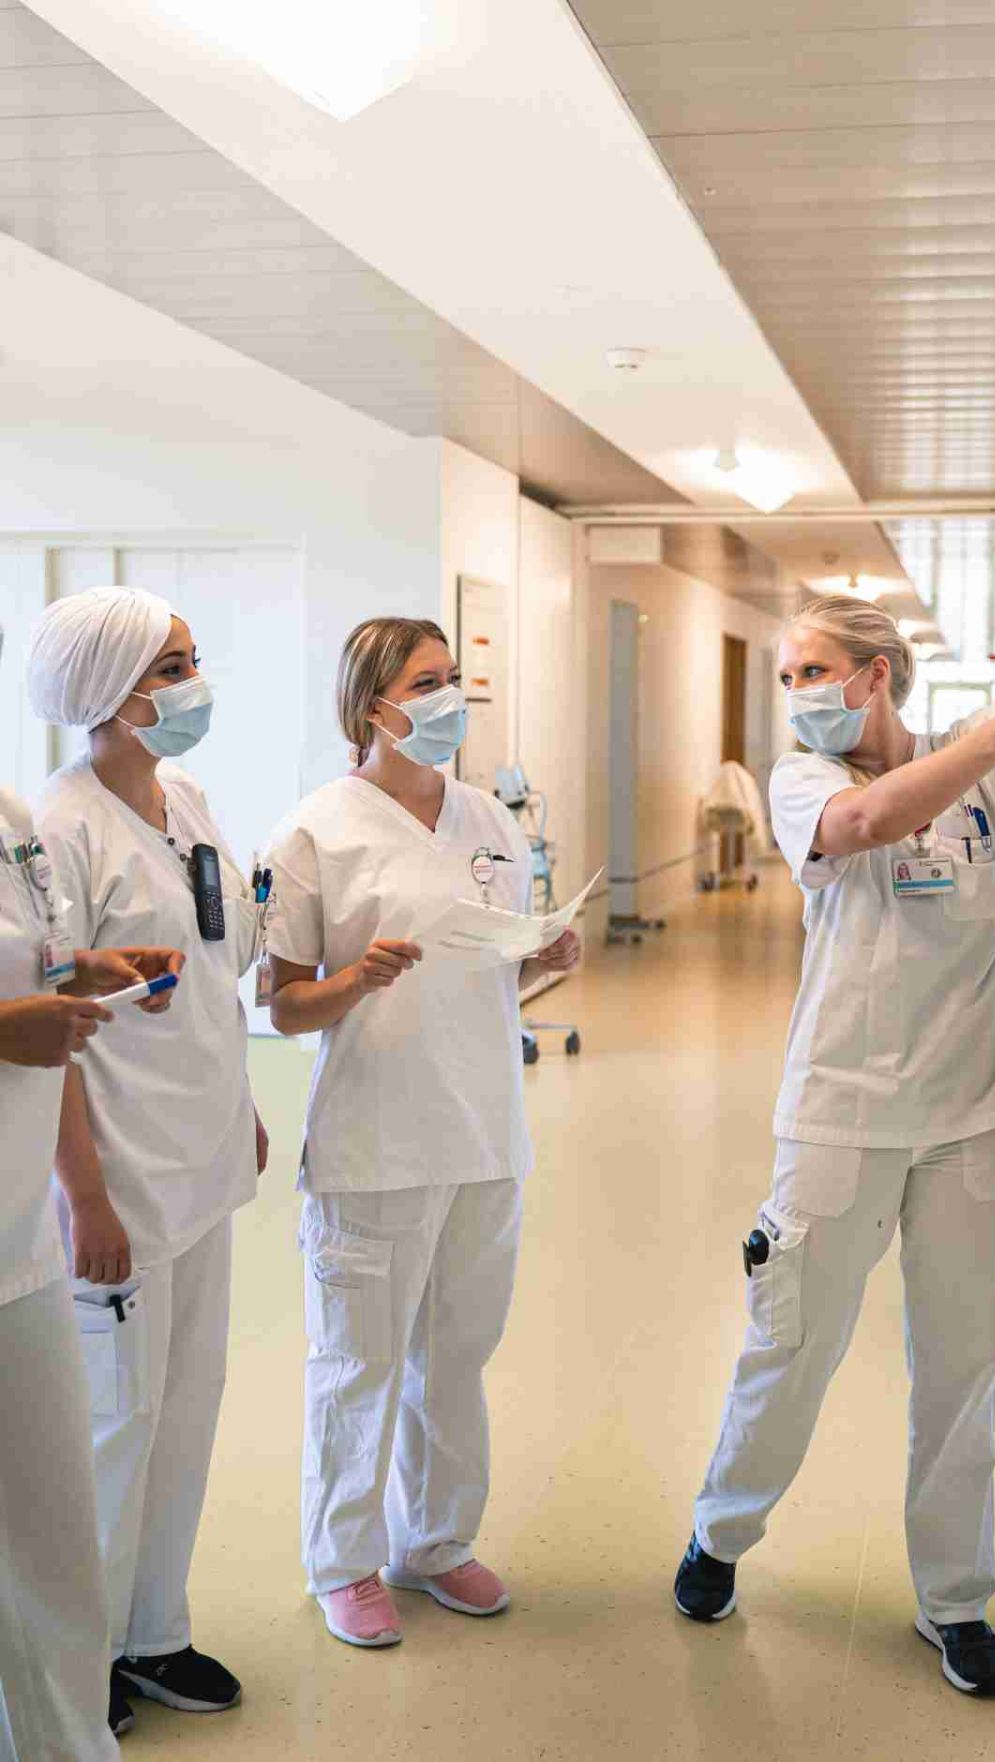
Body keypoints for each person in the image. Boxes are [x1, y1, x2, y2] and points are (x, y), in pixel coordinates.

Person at [673, 562, 995, 1696]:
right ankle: (721, 1532)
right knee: (792, 1346)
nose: (796, 690)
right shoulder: (805, 775)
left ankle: (955, 1601)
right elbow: (868, 820)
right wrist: (977, 740)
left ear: (875, 675)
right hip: (843, 1115)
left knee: (958, 1371)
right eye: (785, 674)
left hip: (971, 1116)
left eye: (813, 670)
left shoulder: (981, 770)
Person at [266, 616, 579, 1648]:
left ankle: (436, 1542)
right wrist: (355, 979)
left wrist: (546, 958)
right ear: (372, 707)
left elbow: (495, 972)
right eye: (426, 682)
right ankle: (344, 1559)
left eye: (455, 679)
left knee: (457, 1353)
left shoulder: (488, 817)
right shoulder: (318, 830)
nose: (449, 699)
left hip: (484, 1127)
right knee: (360, 1361)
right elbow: (282, 1002)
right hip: (377, 1136)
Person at [27, 587, 269, 1738]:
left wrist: (244, 1108)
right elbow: (51, 1014)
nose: (192, 681)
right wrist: (83, 1189)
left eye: (191, 657)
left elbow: (213, 972)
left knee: (189, 1401)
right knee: (114, 1425)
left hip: (203, 1153)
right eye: (170, 666)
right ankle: (90, 1655)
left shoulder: (190, 801)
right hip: (118, 1171)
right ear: (111, 692)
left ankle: (156, 1628)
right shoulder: (57, 826)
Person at [0, 623, 188, 1761]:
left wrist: (79, 974)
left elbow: (33, 959)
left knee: (57, 1532)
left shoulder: (14, 819)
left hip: (17, 1230)